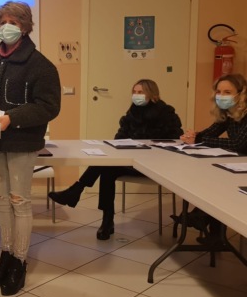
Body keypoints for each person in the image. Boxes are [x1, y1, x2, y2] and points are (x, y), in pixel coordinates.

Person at [0, 1, 61, 296]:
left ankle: (19, 261)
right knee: (2, 201)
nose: (7, 26)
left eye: (15, 22)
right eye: (3, 21)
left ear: (26, 27)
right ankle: (6, 255)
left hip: (22, 143)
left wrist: (12, 118)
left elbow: (49, 106)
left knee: (19, 202)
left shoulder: (41, 66)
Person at [49, 79, 183, 240]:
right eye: (134, 92)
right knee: (107, 168)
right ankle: (107, 220)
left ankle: (76, 191)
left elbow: (176, 138)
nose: (136, 95)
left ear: (152, 94)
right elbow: (120, 137)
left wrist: (148, 143)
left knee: (107, 167)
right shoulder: (132, 112)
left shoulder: (166, 113)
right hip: (131, 162)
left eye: (140, 92)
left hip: (154, 165)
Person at [179, 73, 247, 244]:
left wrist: (200, 139)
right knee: (213, 177)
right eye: (219, 92)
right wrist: (194, 136)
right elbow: (210, 132)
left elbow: (238, 144)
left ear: (241, 94)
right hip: (240, 164)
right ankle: (212, 230)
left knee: (220, 181)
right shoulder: (228, 113)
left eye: (227, 92)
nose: (221, 96)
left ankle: (202, 219)